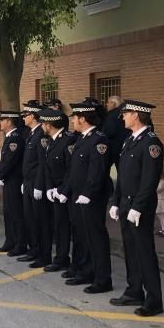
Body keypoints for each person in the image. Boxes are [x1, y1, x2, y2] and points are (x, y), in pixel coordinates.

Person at [108, 100, 164, 316]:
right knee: (130, 250)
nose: (122, 117)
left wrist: (138, 206)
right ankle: (134, 291)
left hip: (139, 208)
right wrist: (115, 201)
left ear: (137, 116)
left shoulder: (151, 143)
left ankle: (154, 300)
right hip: (125, 204)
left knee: (144, 252)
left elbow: (149, 180)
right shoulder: (130, 141)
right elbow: (122, 176)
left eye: (126, 113)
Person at [62, 98, 113, 294]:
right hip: (77, 195)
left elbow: (97, 171)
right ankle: (85, 271)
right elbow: (75, 171)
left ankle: (102, 279)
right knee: (82, 236)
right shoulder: (82, 138)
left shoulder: (99, 140)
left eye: (75, 117)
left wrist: (88, 193)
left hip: (90, 198)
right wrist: (66, 191)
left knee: (96, 238)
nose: (73, 121)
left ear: (83, 118)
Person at [36, 109, 73, 272]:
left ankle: (63, 258)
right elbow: (48, 167)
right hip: (55, 191)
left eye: (43, 123)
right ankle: (60, 257)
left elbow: (71, 170)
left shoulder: (68, 140)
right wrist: (50, 188)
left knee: (65, 227)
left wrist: (62, 190)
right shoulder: (52, 140)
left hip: (66, 192)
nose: (42, 126)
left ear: (49, 125)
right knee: (59, 226)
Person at [0, 110, 25, 255]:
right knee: (8, 211)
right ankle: (10, 241)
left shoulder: (16, 138)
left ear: (10, 122)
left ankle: (20, 244)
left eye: (2, 120)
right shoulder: (9, 136)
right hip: (8, 179)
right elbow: (4, 159)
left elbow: (11, 161)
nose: (0, 122)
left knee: (16, 212)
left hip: (14, 180)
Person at [18, 101, 44, 264]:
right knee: (29, 218)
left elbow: (42, 163)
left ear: (33, 116)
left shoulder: (40, 134)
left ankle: (40, 252)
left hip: (35, 183)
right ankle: (33, 249)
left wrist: (39, 185)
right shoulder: (31, 134)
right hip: (28, 181)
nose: (23, 118)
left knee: (37, 219)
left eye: (25, 115)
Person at [102, 95, 130, 168]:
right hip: (125, 146)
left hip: (114, 148)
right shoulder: (124, 113)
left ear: (114, 104)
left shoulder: (111, 115)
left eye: (108, 102)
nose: (106, 104)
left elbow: (109, 131)